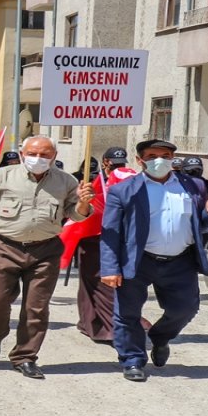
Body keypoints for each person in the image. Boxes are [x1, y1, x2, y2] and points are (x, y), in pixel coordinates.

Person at [0, 135, 94, 379]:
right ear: (22, 154)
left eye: (44, 154)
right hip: (3, 247)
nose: (38, 159)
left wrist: (84, 203)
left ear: (54, 156)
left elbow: (75, 214)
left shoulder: (66, 181)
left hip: (45, 250)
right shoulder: (1, 176)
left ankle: (25, 356)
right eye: (32, 154)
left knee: (37, 307)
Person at [100, 139, 208, 382]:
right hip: (138, 260)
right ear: (140, 160)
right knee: (127, 313)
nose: (159, 161)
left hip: (180, 260)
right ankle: (132, 360)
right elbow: (110, 232)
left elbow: (200, 226)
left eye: (165, 156)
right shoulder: (124, 190)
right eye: (152, 156)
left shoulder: (194, 186)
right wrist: (109, 267)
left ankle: (160, 337)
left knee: (185, 309)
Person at [69, 147, 137, 343]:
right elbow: (78, 207)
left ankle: (114, 324)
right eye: (114, 164)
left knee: (111, 284)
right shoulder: (92, 181)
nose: (118, 168)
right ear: (105, 162)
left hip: (119, 238)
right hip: (92, 237)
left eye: (121, 164)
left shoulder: (129, 178)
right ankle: (89, 322)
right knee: (91, 283)